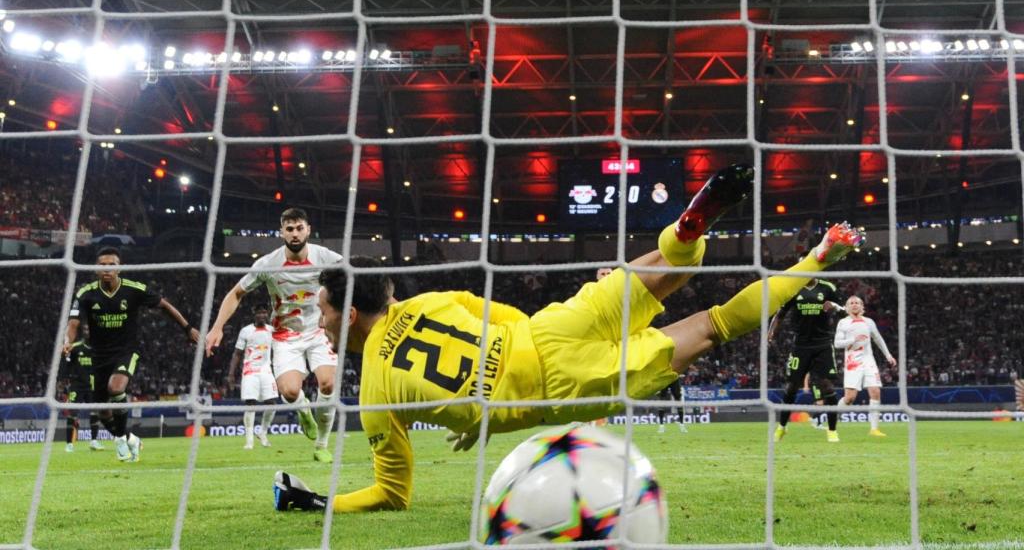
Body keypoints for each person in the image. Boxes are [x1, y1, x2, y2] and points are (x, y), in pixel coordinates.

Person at [273, 163, 866, 513]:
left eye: (322, 312)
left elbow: (392, 494)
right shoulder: (429, 300)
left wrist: (319, 502)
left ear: (349, 316)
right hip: (552, 326)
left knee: (711, 326)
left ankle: (817, 258)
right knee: (667, 267)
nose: (318, 322)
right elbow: (503, 318)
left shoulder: (376, 390)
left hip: (559, 386)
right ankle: (689, 227)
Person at [206, 207, 342, 463]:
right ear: (281, 232)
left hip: (319, 331)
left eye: (299, 228)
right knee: (290, 392)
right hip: (284, 335)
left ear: (308, 230)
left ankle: (322, 445)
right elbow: (236, 293)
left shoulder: (327, 257)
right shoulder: (268, 264)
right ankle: (303, 411)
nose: (294, 233)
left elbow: (357, 276)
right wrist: (217, 327)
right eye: (289, 229)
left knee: (329, 383)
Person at [64, 247, 199, 462]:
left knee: (116, 388)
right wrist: (67, 342)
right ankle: (129, 438)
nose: (107, 269)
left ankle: (119, 443)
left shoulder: (134, 289)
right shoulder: (85, 293)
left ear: (120, 268)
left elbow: (164, 305)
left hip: (126, 351)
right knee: (102, 412)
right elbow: (73, 323)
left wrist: (188, 328)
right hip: (99, 357)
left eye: (112, 265)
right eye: (102, 265)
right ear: (95, 269)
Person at [767, 277, 844, 443]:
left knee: (827, 385)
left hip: (823, 344)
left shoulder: (828, 287)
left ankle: (832, 431)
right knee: (791, 387)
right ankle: (782, 427)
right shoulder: (793, 289)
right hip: (800, 346)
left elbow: (843, 311)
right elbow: (780, 314)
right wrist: (771, 332)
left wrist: (834, 306)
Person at [833, 295, 897, 437]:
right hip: (852, 362)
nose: (855, 305)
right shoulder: (843, 323)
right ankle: (834, 418)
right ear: (847, 307)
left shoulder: (869, 322)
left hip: (869, 361)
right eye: (851, 303)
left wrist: (888, 355)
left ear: (862, 306)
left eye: (857, 303)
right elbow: (837, 344)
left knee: (875, 392)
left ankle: (874, 429)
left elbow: (878, 338)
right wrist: (852, 339)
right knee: (849, 398)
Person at [228, 305, 278, 449]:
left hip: (267, 371)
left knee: (272, 404)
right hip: (250, 372)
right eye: (259, 312)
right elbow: (237, 353)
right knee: (251, 405)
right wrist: (231, 373)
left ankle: (263, 432)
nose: (262, 315)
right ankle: (249, 441)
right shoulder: (246, 331)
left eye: (264, 312)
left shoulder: (272, 331)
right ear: (254, 314)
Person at [60, 325, 104, 453]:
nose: (87, 331)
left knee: (95, 412)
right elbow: (66, 363)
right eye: (85, 329)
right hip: (77, 386)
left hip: (92, 386)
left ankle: (94, 441)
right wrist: (65, 378)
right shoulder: (75, 347)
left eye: (89, 329)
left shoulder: (98, 349)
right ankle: (69, 444)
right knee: (72, 413)